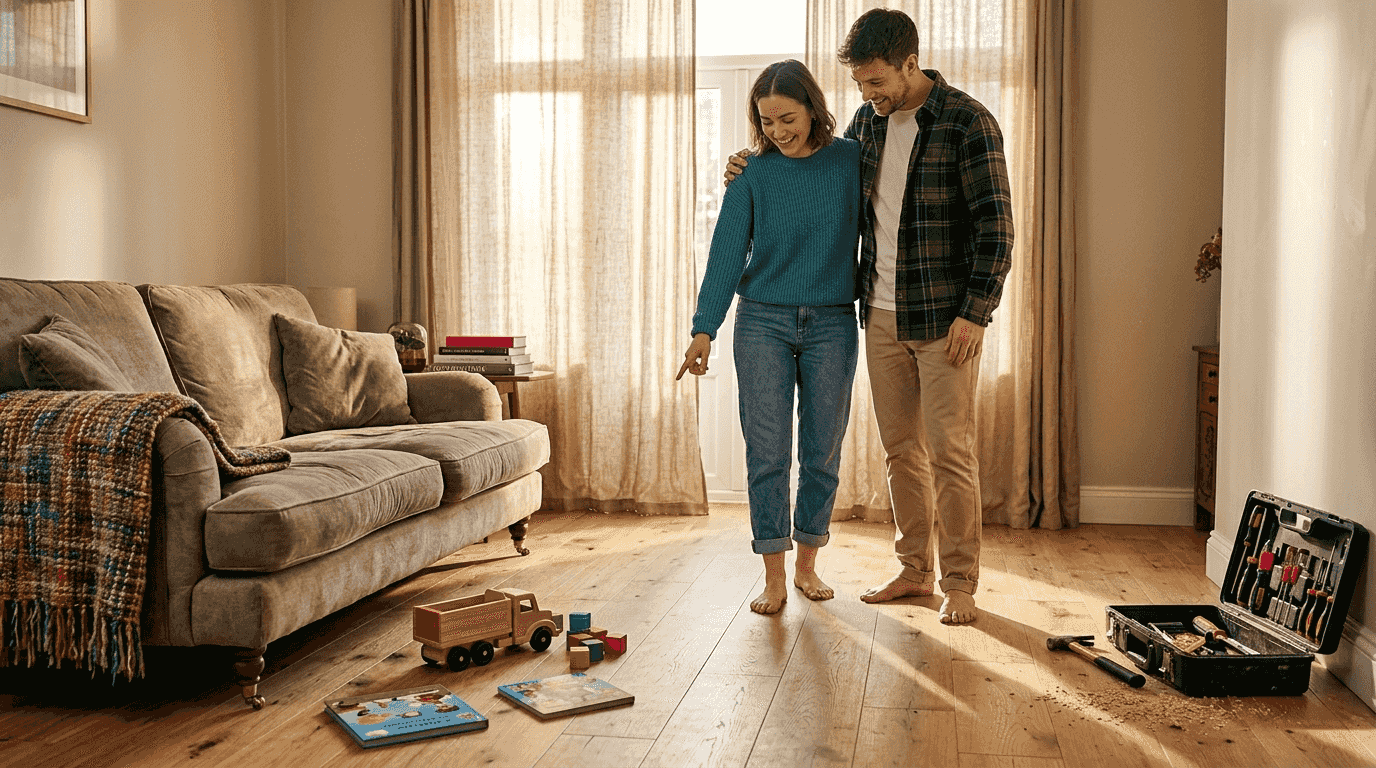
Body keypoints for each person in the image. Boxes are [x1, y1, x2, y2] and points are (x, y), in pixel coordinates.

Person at [725, 9, 1013, 624]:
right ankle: (915, 570)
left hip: (945, 319)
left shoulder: (967, 123)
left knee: (951, 451)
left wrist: (977, 313)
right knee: (900, 449)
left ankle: (960, 583)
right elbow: (814, 173)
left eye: (877, 81)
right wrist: (747, 164)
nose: (868, 94)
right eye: (859, 84)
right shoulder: (867, 125)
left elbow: (996, 228)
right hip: (876, 314)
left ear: (911, 63)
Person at [678, 59, 862, 616]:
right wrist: (703, 327)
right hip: (762, 322)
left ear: (813, 108)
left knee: (822, 453)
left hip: (833, 321)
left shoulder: (851, 160)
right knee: (768, 454)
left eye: (788, 118)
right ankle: (774, 576)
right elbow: (726, 253)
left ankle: (808, 564)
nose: (778, 131)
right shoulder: (753, 173)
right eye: (766, 121)